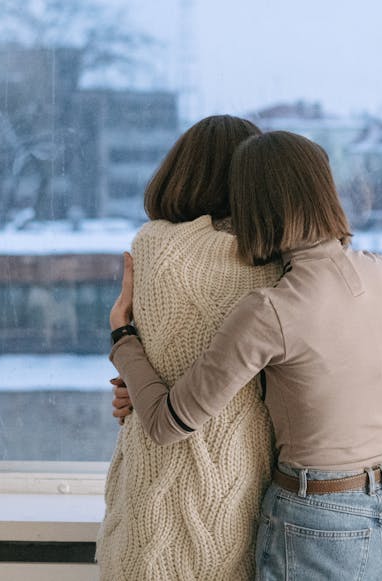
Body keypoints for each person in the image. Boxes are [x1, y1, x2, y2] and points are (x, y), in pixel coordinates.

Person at [109, 130, 382, 581]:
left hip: (318, 518)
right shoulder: (380, 273)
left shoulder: (272, 309)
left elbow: (165, 424)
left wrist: (123, 338)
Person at [97, 115, 283, 581]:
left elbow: (155, 360)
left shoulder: (155, 246)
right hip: (242, 485)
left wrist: (121, 338)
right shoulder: (275, 260)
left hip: (153, 485)